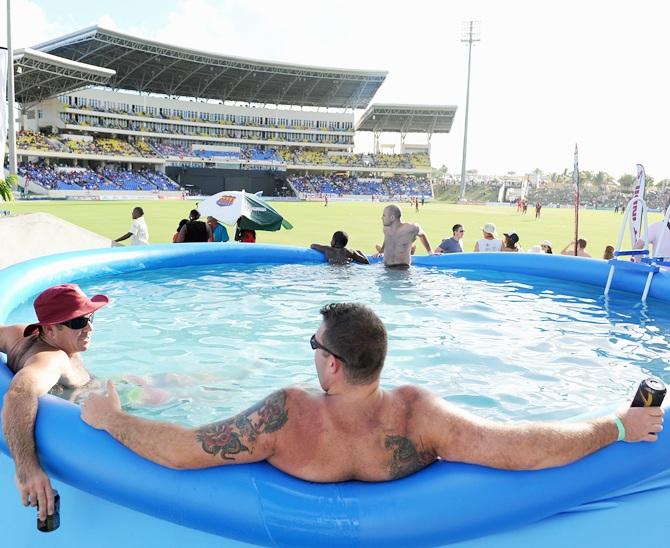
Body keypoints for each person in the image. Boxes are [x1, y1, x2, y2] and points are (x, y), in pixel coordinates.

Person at [81, 303, 663, 485]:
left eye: (313, 343)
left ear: (331, 365)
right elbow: (522, 446)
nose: (309, 351)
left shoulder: (288, 413)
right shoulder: (417, 413)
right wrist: (616, 426)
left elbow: (183, 450)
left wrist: (110, 419)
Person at [0, 284, 109, 521]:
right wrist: (26, 468)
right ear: (49, 330)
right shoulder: (53, 359)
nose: (89, 327)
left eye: (89, 317)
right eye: (78, 322)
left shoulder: (18, 334)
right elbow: (19, 393)